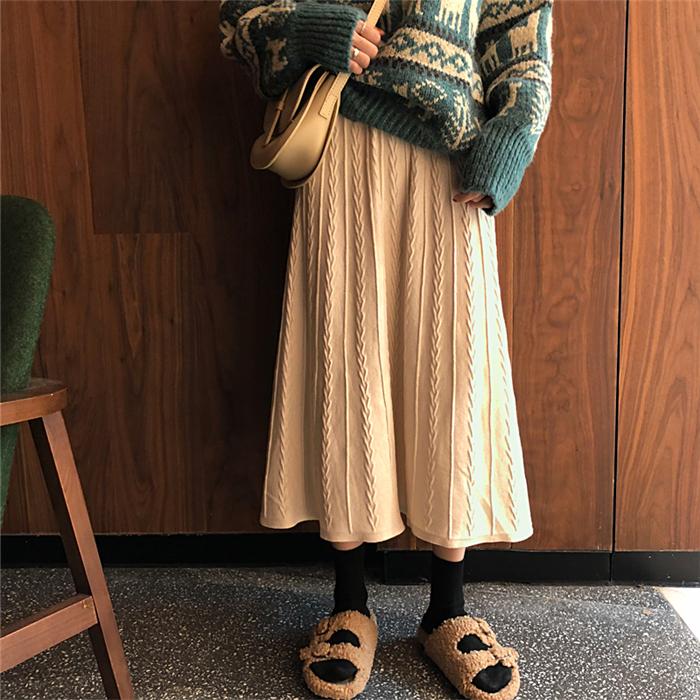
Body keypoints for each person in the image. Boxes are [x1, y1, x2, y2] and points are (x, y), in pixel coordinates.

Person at [218, 1, 554, 698]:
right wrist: (312, 31)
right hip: (340, 143)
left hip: (455, 164)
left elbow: (523, 46)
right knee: (344, 367)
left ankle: (448, 609)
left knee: (456, 372)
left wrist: (508, 143)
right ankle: (349, 604)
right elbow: (240, 18)